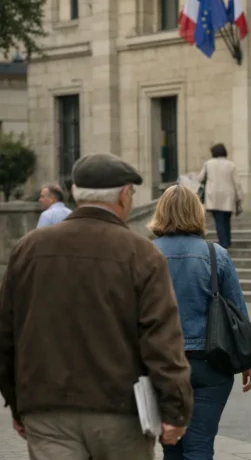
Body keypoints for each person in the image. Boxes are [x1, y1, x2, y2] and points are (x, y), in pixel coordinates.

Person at [0, 153, 193, 459]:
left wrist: (15, 400)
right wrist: (175, 408)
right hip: (120, 409)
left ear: (75, 192)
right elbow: (161, 340)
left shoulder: (29, 248)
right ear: (124, 195)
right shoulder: (141, 254)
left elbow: (6, 332)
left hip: (46, 406)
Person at [149, 184, 251, 460]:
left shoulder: (145, 253)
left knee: (171, 446)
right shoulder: (215, 254)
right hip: (211, 361)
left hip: (161, 364)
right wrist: (248, 362)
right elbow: (237, 311)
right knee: (200, 444)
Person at [199, 143, 243, 249]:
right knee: (226, 220)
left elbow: (200, 178)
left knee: (219, 221)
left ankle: (224, 242)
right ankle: (227, 240)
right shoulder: (231, 165)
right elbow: (237, 183)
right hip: (228, 196)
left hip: (213, 196)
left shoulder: (208, 164)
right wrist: (239, 198)